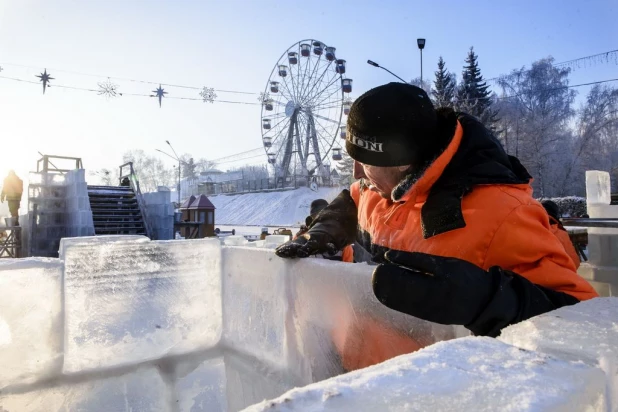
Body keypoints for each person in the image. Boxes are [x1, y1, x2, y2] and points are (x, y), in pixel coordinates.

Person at [276, 83, 597, 354]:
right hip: (357, 378)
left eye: (365, 162)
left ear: (402, 163)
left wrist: (488, 300)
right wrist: (329, 225)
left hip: (430, 389)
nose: (357, 173)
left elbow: (583, 316)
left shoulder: (503, 213)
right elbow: (355, 197)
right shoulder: (379, 187)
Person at [541, 200, 581, 269]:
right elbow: (574, 262)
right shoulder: (561, 233)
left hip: (534, 276)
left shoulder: (530, 231)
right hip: (563, 274)